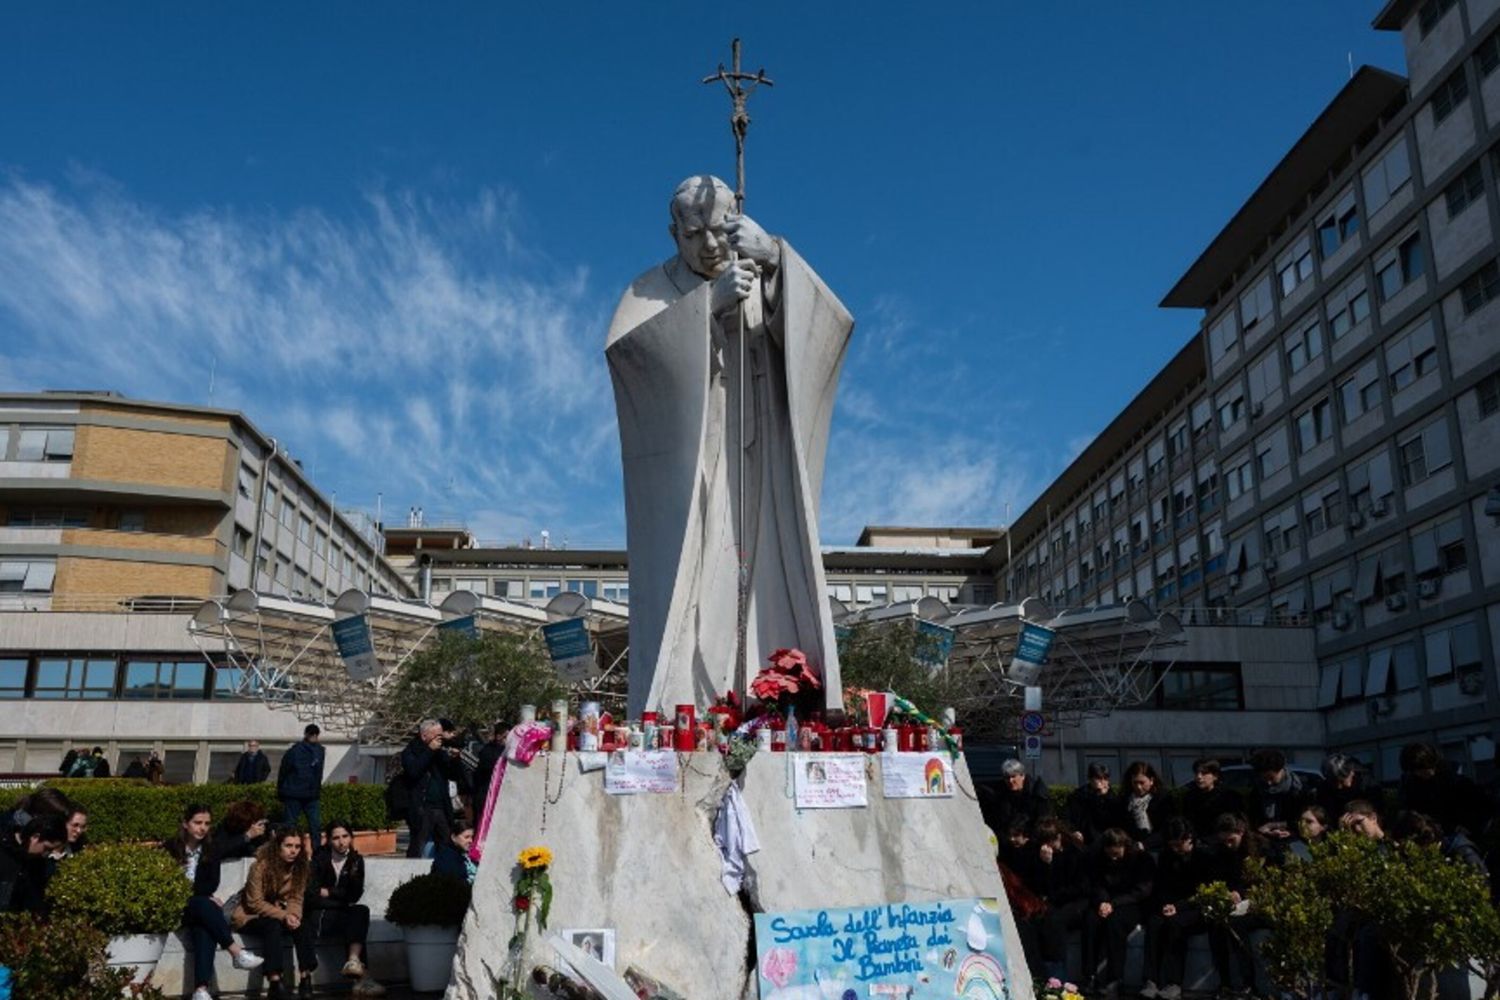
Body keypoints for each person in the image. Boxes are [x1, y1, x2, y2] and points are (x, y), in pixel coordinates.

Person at [607, 174, 855, 718]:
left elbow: (829, 330)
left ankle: (779, 691)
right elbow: (631, 358)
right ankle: (688, 702)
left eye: (719, 229)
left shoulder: (758, 263)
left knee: (769, 566)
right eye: (693, 233)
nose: (711, 244)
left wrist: (778, 265)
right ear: (673, 232)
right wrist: (705, 310)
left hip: (764, 456)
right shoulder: (647, 291)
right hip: (696, 467)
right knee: (698, 576)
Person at [164, 803, 264, 1000]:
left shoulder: (211, 849)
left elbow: (211, 884)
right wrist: (198, 895)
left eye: (207, 823)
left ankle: (201, 990)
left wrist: (200, 895)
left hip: (197, 908)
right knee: (206, 905)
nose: (202, 828)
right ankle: (236, 952)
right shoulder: (171, 847)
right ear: (185, 824)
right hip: (174, 906)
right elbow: (167, 885)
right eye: (197, 822)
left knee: (205, 926)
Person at [303, 820, 385, 996]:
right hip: (320, 916)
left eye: (345, 836)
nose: (341, 842)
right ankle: (363, 980)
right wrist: (340, 897)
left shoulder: (356, 861)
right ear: (329, 840)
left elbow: (354, 895)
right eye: (336, 838)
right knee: (355, 920)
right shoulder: (319, 858)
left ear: (351, 837)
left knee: (360, 911)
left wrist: (329, 892)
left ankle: (353, 961)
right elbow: (312, 895)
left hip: (340, 913)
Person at [231, 826, 313, 1000]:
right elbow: (254, 903)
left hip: (279, 913)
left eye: (297, 847)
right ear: (278, 846)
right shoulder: (259, 866)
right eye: (288, 845)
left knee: (302, 925)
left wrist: (293, 916)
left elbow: (296, 898)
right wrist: (284, 916)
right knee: (272, 925)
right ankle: (275, 981)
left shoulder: (300, 867)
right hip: (249, 916)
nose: (293, 851)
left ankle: (306, 978)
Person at [1140, 819, 1211, 1000]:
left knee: (1175, 926)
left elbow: (1204, 891)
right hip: (1171, 904)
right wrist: (1166, 905)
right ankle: (1151, 979)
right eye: (1172, 845)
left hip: (1195, 906)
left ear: (1189, 839)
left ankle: (1174, 982)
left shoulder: (1204, 856)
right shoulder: (1167, 856)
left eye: (1179, 845)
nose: (1176, 849)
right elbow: (1162, 885)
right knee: (1154, 923)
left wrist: (1178, 907)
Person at [1081, 828, 1155, 995]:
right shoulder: (1098, 858)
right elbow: (1096, 883)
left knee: (1115, 924)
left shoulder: (1140, 859)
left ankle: (1115, 978)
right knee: (1090, 920)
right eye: (1110, 854)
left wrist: (1113, 903)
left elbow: (1141, 891)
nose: (1113, 858)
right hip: (1106, 902)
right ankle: (1089, 975)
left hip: (1131, 903)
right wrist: (1102, 902)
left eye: (1117, 854)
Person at [1021, 816, 1090, 981]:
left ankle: (1056, 975)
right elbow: (1036, 885)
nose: (1047, 847)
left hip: (1075, 901)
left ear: (1058, 837)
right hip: (1049, 901)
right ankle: (1038, 973)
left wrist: (1051, 893)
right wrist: (1046, 865)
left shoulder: (1076, 852)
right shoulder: (1038, 853)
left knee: (1054, 921)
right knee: (1032, 920)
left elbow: (1081, 887)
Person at [1397, 742, 1490, 837]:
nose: (1419, 774)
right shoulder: (1410, 782)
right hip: (1434, 831)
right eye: (1415, 771)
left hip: (1462, 830)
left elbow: (1480, 807)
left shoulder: (1453, 779)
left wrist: (1466, 826)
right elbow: (1406, 809)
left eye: (1421, 770)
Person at [401, 719, 459, 859]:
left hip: (441, 806)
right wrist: (429, 751)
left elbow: (452, 774)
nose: (439, 739)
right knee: (418, 846)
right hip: (422, 806)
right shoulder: (410, 751)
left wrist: (455, 760)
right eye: (436, 736)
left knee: (447, 844)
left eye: (441, 735)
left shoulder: (440, 752)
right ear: (424, 736)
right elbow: (414, 771)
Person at [0, 814, 66, 913]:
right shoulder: (4, 851)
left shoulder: (39, 864)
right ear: (35, 837)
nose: (46, 854)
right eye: (46, 848)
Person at [1246, 748, 1312, 844]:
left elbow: (1305, 821)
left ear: (1281, 770)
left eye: (1271, 778)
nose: (1268, 783)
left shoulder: (1299, 790)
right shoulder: (1257, 791)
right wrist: (1263, 831)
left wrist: (1279, 827)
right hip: (1265, 842)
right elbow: (1253, 819)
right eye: (1264, 778)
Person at [980, 759, 1053, 837]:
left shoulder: (1037, 792)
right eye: (1007, 778)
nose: (1010, 781)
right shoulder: (1001, 791)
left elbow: (1044, 822)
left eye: (1013, 776)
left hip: (1031, 839)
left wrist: (1026, 837)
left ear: (1022, 776)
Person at [278, 724, 325, 838]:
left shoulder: (319, 751)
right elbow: (284, 770)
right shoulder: (296, 751)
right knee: (292, 825)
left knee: (314, 826)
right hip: (296, 794)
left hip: (306, 794)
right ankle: (288, 849)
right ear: (307, 734)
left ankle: (317, 852)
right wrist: (281, 789)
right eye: (312, 734)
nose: (314, 736)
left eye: (316, 734)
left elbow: (318, 773)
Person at [1180, 758, 1242, 839]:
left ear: (1215, 776)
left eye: (1204, 773)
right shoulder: (1190, 797)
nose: (1199, 777)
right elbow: (1186, 821)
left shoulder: (1229, 796)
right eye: (1196, 773)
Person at [1067, 762, 1125, 847]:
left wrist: (1104, 797)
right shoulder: (1078, 796)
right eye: (1098, 778)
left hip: (1106, 841)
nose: (1102, 782)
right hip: (1084, 840)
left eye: (1105, 778)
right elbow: (1068, 818)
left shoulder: (1113, 798)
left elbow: (1115, 820)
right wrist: (1073, 831)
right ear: (1090, 779)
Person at [1121, 761, 1175, 851]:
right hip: (1131, 848)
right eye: (1135, 782)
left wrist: (1145, 844)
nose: (1138, 787)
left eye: (1142, 783)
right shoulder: (1125, 800)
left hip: (1158, 847)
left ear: (1151, 781)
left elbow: (1167, 828)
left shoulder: (1162, 799)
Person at [1317, 753, 1374, 822]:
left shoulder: (1366, 784)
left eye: (1341, 781)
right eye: (1334, 782)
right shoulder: (1324, 789)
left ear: (1351, 773)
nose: (1338, 786)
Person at [471, 722, 508, 822]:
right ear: (499, 736)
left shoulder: (504, 750)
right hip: (486, 796)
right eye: (507, 737)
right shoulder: (488, 751)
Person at [431, 820, 477, 885]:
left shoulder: (466, 855)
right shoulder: (446, 859)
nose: (471, 841)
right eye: (466, 837)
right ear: (454, 837)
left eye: (472, 837)